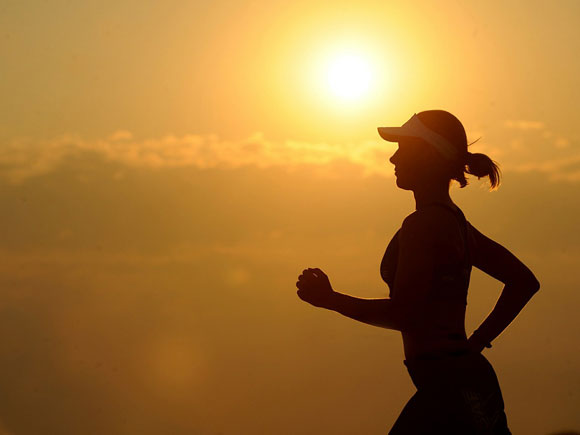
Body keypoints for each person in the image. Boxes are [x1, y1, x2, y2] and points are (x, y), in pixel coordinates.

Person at [295, 110, 540, 434]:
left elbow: (405, 315)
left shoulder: (424, 224)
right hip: (466, 385)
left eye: (402, 148)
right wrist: (477, 342)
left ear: (428, 154)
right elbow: (524, 282)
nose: (392, 158)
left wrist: (331, 300)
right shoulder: (455, 223)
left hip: (450, 392)